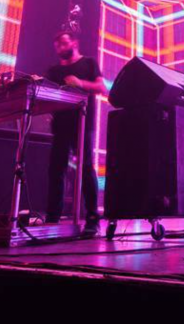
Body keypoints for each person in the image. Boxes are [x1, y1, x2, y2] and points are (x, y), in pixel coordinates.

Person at [44, 30, 106, 234]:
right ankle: (52, 219)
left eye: (63, 43)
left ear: (74, 43)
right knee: (56, 170)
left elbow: (101, 88)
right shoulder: (53, 71)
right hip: (60, 126)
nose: (60, 48)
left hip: (83, 123)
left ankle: (92, 219)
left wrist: (80, 83)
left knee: (86, 168)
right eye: (57, 46)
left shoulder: (88, 63)